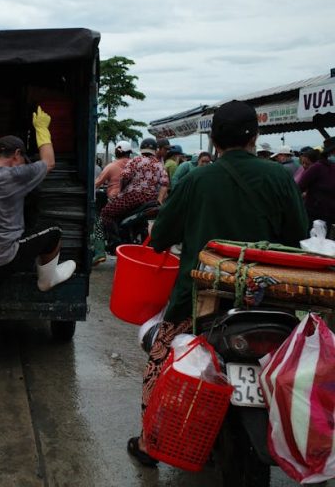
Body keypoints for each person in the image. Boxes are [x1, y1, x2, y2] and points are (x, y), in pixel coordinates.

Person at [127, 100, 309, 467]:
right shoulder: (279, 178)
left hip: (198, 301)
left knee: (161, 358)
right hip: (267, 300)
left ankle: (151, 443)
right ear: (254, 137)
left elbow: (161, 236)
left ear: (213, 139)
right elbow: (299, 237)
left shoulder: (196, 178)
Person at [0, 100, 76, 402]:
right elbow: (48, 162)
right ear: (17, 155)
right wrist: (42, 131)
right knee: (53, 233)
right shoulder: (18, 176)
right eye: (24, 157)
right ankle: (46, 279)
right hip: (6, 257)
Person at [100, 140, 169, 246]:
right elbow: (165, 184)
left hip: (132, 197)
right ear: (155, 150)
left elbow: (125, 176)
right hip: (151, 200)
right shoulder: (159, 164)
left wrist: (122, 190)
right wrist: (159, 200)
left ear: (142, 149)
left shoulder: (135, 161)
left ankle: (114, 242)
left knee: (106, 213)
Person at [297, 138, 335, 229]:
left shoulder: (332, 167)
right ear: (331, 153)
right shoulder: (317, 167)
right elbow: (299, 187)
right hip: (317, 216)